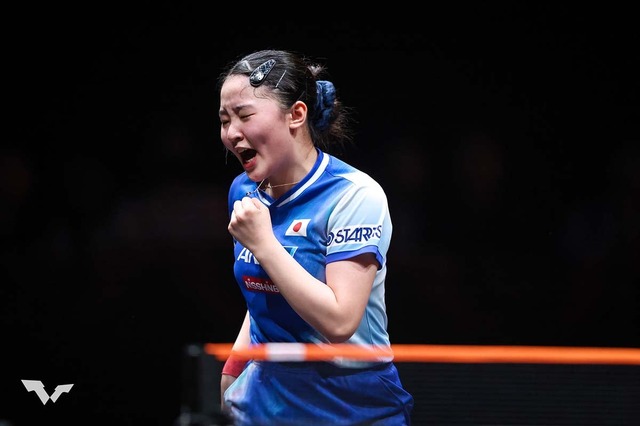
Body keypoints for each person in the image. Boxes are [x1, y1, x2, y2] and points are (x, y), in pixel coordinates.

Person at [217, 49, 414, 425]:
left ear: (296, 114)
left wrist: (265, 244)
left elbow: (339, 322)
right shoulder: (243, 191)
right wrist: (234, 369)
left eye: (244, 115)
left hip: (352, 405)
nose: (232, 133)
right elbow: (264, 295)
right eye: (224, 120)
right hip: (266, 402)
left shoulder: (353, 195)